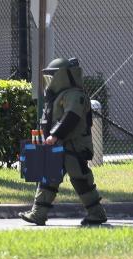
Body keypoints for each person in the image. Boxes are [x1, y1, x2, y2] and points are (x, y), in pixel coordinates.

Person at [18, 57, 107, 226]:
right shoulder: (61, 95)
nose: (49, 82)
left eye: (53, 77)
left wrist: (55, 135)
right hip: (59, 146)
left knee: (81, 179)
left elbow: (71, 117)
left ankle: (97, 214)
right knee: (48, 178)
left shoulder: (74, 95)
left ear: (63, 76)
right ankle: (38, 214)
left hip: (74, 147)